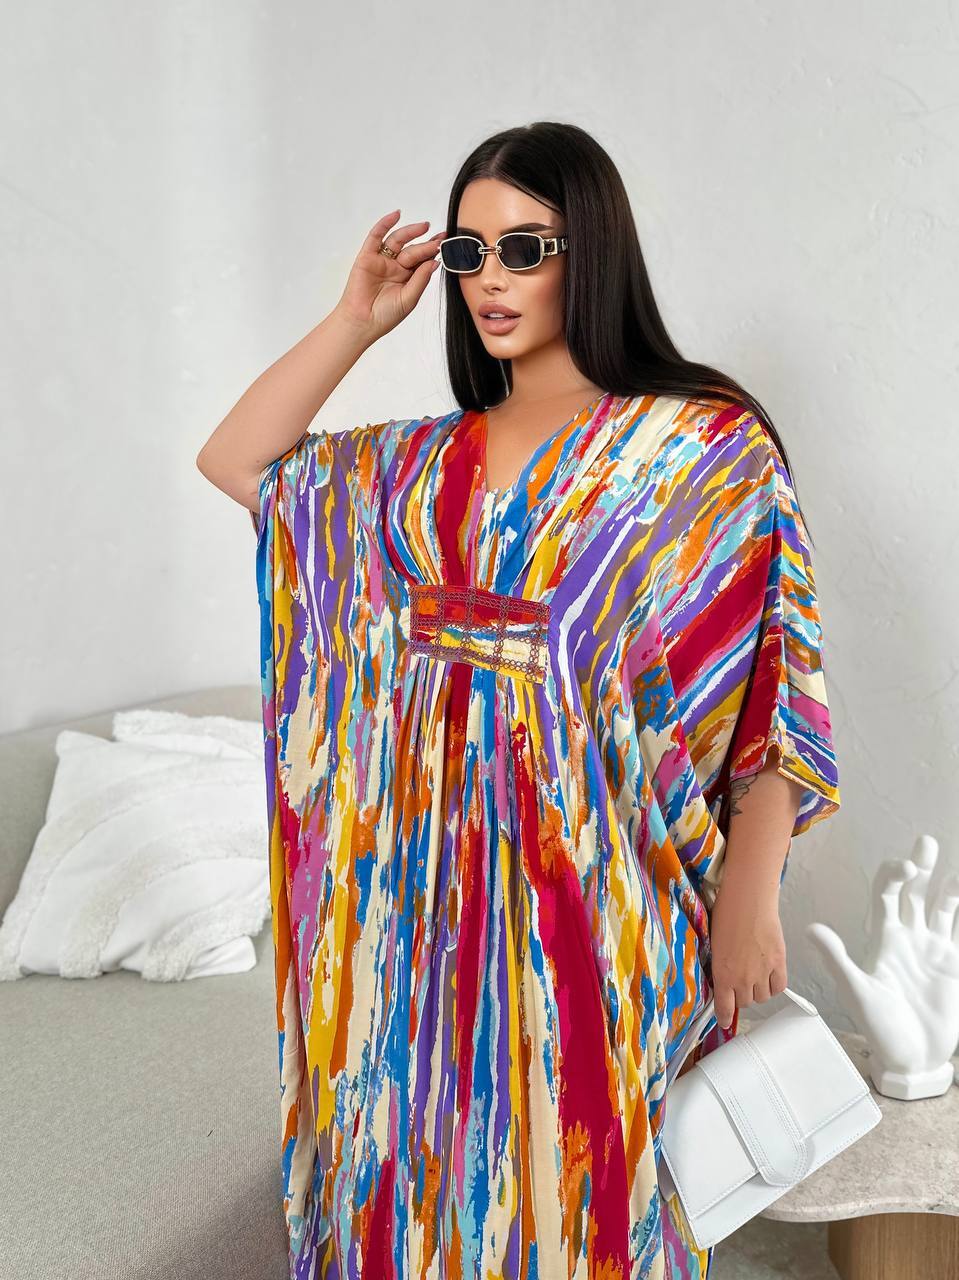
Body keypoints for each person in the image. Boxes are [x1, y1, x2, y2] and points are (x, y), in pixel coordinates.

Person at [197, 121, 841, 1280]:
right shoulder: (408, 474)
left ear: (589, 247)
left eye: (524, 247)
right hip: (411, 923)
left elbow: (771, 686)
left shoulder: (699, 449)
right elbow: (238, 462)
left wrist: (748, 892)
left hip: (602, 915)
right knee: (419, 1199)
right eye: (467, 252)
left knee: (588, 1204)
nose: (489, 279)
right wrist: (354, 318)